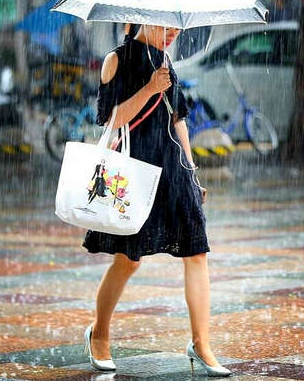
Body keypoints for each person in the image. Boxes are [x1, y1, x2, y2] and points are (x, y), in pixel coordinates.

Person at [82, 23, 230, 377]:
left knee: (196, 253)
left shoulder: (165, 60)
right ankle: (99, 332)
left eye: (176, 27)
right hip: (134, 169)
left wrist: (192, 172)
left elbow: (179, 120)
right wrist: (150, 88)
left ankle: (201, 343)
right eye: (165, 26)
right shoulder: (115, 60)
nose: (173, 33)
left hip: (173, 168)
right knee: (129, 260)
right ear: (140, 19)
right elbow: (110, 119)